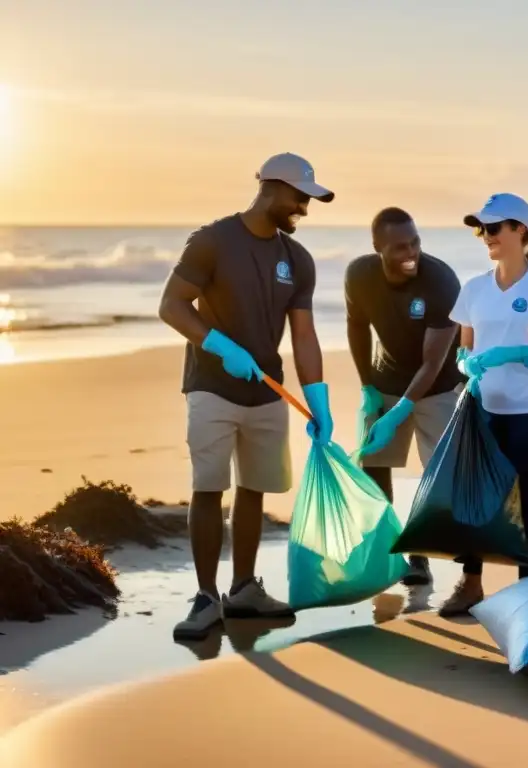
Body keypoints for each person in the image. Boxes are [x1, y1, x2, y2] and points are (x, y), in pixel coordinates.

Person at [158, 152, 336, 641]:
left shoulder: (297, 260)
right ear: (272, 188)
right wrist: (218, 345)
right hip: (212, 387)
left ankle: (243, 590)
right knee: (209, 486)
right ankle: (205, 597)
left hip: (267, 392)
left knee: (254, 489)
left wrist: (317, 398)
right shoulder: (212, 240)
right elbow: (172, 306)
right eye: (300, 196)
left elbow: (303, 335)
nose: (304, 206)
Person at [440, 193, 528, 616]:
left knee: (527, 498)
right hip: (484, 408)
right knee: (474, 496)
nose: (486, 236)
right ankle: (471, 584)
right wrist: (470, 367)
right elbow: (463, 351)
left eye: (494, 228)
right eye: (482, 229)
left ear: (522, 231)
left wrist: (519, 352)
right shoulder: (474, 288)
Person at [345, 207, 464, 586]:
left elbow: (432, 363)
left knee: (436, 473)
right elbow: (356, 327)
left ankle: (418, 556)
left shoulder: (441, 281)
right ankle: (382, 550)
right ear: (377, 246)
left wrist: (401, 410)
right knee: (375, 464)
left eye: (414, 242)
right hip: (387, 378)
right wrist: (367, 386)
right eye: (399, 247)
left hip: (439, 385)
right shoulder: (360, 276)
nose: (410, 252)